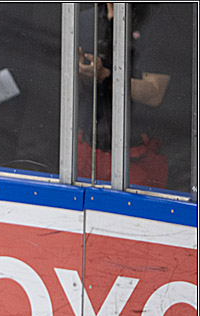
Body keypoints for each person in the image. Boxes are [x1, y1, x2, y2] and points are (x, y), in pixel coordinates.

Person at [75, 2, 175, 190]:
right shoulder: (84, 19)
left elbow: (154, 93)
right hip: (87, 147)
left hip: (136, 155)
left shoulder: (153, 23)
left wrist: (105, 76)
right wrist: (80, 73)